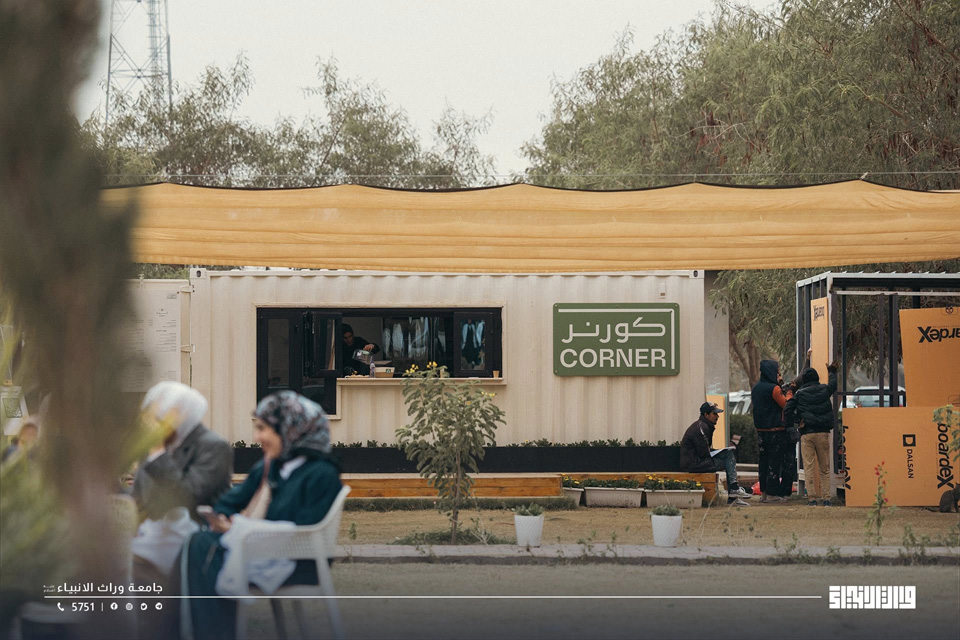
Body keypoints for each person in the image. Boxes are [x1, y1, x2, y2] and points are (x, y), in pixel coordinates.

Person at [182, 391, 342, 640]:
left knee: (204, 546)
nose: (256, 437)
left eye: (263, 429)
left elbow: (305, 529)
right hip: (261, 551)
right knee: (195, 541)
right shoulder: (271, 466)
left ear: (291, 429)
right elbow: (230, 501)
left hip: (298, 563)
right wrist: (220, 517)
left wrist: (240, 530)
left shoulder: (322, 474)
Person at [132, 381, 233, 521]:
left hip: (196, 528)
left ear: (181, 417)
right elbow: (138, 496)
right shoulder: (155, 445)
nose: (149, 426)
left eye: (158, 419)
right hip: (150, 529)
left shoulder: (214, 447)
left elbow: (188, 497)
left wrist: (158, 454)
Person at [785, 362, 839, 506]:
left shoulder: (800, 394)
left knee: (809, 467)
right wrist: (832, 371)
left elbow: (787, 410)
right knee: (824, 468)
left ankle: (812, 499)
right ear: (816, 378)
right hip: (822, 433)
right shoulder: (824, 389)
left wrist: (798, 421)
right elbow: (833, 384)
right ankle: (826, 499)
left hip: (807, 434)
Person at [680, 401, 751, 506]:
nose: (717, 416)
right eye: (714, 414)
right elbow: (703, 453)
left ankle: (734, 492)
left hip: (697, 460)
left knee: (728, 454)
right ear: (706, 415)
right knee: (727, 460)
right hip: (694, 463)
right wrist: (716, 452)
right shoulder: (702, 427)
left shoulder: (704, 425)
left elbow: (705, 450)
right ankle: (733, 493)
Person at [751, 359, 796, 502]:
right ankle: (772, 494)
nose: (778, 374)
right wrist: (789, 393)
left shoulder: (756, 388)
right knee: (774, 462)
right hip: (775, 430)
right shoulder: (774, 389)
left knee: (763, 462)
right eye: (777, 371)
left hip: (761, 430)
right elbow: (785, 405)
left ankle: (764, 493)